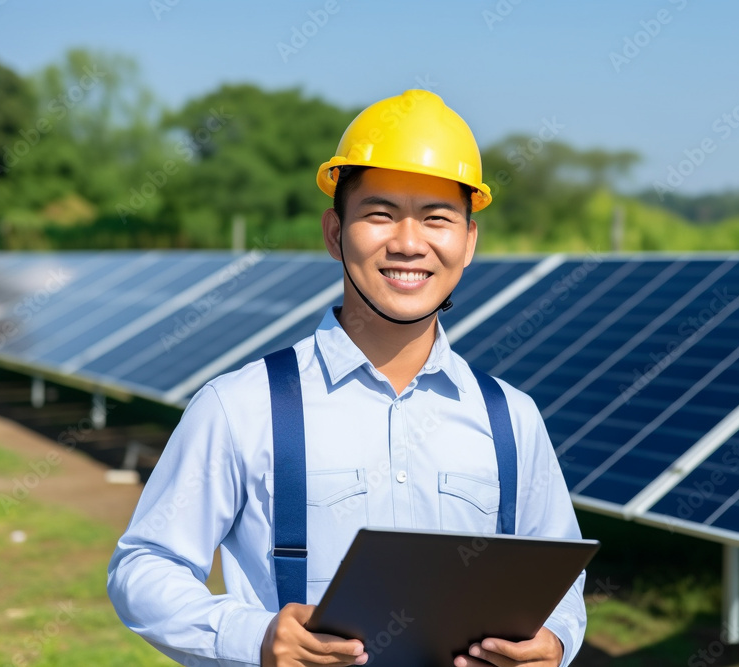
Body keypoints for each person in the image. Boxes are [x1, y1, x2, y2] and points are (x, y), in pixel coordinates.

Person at [107, 89, 587, 667]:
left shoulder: (512, 418)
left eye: (437, 218)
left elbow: (561, 582)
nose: (409, 243)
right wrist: (252, 636)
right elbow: (144, 565)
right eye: (380, 213)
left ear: (468, 241)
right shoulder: (241, 407)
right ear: (335, 233)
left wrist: (553, 643)